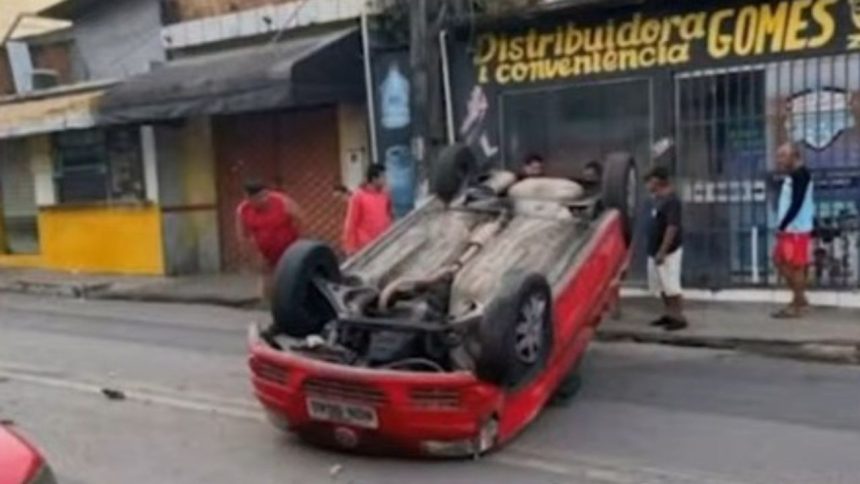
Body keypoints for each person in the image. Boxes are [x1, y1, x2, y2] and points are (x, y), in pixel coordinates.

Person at [236, 180, 304, 301]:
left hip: (289, 248)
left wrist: (300, 245)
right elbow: (242, 235)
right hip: (265, 252)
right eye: (259, 198)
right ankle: (267, 303)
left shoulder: (282, 201)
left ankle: (296, 300)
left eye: (265, 195)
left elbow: (300, 219)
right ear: (249, 198)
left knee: (292, 275)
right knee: (267, 277)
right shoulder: (243, 210)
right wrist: (249, 256)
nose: (264, 199)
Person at [772, 142, 815, 318]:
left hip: (796, 230)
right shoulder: (794, 175)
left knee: (795, 266)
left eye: (783, 156)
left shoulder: (801, 175)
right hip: (790, 229)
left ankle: (798, 305)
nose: (779, 160)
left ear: (794, 156)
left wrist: (783, 225)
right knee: (779, 261)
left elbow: (797, 203)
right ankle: (800, 299)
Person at [645, 166, 688, 331]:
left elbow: (672, 227)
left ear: (657, 180)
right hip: (654, 250)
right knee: (661, 286)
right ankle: (668, 314)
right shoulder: (657, 200)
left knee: (671, 285)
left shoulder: (672, 201)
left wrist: (663, 250)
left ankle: (678, 317)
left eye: (649, 181)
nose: (648, 185)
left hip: (668, 252)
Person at [343, 164, 393, 256]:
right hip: (365, 247)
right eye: (383, 177)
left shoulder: (385, 195)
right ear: (374, 179)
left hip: (384, 244)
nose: (385, 180)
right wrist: (350, 247)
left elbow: (388, 215)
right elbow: (351, 222)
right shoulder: (358, 196)